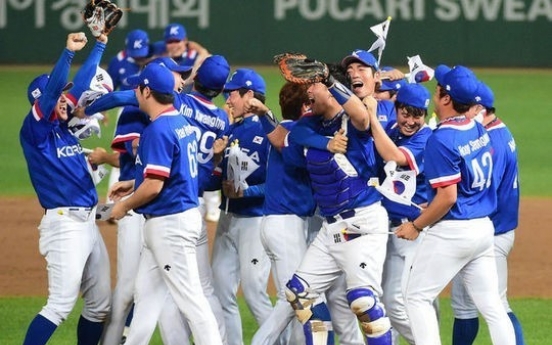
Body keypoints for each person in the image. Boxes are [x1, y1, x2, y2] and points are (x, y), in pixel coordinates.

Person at [395, 65, 516, 345]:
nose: (435, 90)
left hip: (453, 232)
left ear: (446, 98)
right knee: (493, 306)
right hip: (483, 230)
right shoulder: (476, 126)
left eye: (439, 87)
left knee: (416, 297)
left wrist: (416, 225)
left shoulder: (442, 139)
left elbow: (448, 197)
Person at [108, 62, 223, 345]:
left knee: (192, 301)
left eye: (138, 87)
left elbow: (154, 186)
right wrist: (133, 184)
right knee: (145, 298)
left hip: (170, 225)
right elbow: (172, 174)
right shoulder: (180, 123)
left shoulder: (158, 129)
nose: (135, 91)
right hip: (173, 219)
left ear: (147, 91)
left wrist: (124, 205)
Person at [282, 65, 393, 344]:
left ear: (331, 91)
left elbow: (360, 114)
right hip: (330, 229)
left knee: (362, 302)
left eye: (314, 85)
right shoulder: (312, 123)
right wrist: (327, 142)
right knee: (300, 294)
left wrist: (329, 80)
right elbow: (295, 136)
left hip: (362, 222)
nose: (308, 90)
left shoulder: (352, 121)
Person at [20, 31, 111, 345]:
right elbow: (54, 93)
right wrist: (68, 53)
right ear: (40, 102)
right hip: (64, 226)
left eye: (64, 95)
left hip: (88, 223)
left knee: (99, 305)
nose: (65, 99)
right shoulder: (35, 131)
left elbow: (82, 84)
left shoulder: (61, 125)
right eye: (58, 95)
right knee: (59, 305)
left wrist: (100, 43)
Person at [450, 81, 525, 345]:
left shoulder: (491, 142)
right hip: (492, 232)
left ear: (480, 109)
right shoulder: (496, 130)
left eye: (467, 108)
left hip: (491, 234)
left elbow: (480, 192)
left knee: (497, 305)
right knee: (465, 307)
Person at [207, 68, 272, 345]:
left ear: (249, 95)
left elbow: (278, 185)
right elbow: (221, 181)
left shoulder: (269, 131)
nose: (228, 99)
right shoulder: (231, 129)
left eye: (232, 93)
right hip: (227, 218)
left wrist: (247, 190)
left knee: (256, 293)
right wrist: (216, 160)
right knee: (222, 293)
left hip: (254, 222)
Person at [369, 83, 433, 345]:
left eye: (416, 115)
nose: (410, 121)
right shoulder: (392, 131)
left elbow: (395, 156)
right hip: (389, 227)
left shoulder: (425, 137)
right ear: (396, 109)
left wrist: (371, 118)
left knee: (396, 302)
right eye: (405, 113)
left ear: (425, 115)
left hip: (411, 230)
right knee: (385, 297)